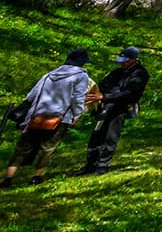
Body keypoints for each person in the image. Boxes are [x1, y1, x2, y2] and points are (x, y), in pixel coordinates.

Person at [3, 49, 95, 188]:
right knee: (48, 148)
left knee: (22, 148)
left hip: (36, 116)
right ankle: (36, 177)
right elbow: (77, 97)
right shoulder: (81, 77)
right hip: (61, 117)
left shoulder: (49, 75)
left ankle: (8, 178)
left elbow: (31, 96)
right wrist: (77, 114)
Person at [82, 46, 150, 175]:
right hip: (105, 106)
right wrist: (96, 93)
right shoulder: (117, 72)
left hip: (121, 107)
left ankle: (103, 165)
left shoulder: (140, 74)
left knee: (110, 136)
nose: (121, 63)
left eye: (124, 60)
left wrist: (105, 97)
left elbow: (131, 93)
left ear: (133, 60)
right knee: (96, 135)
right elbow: (103, 84)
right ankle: (90, 164)